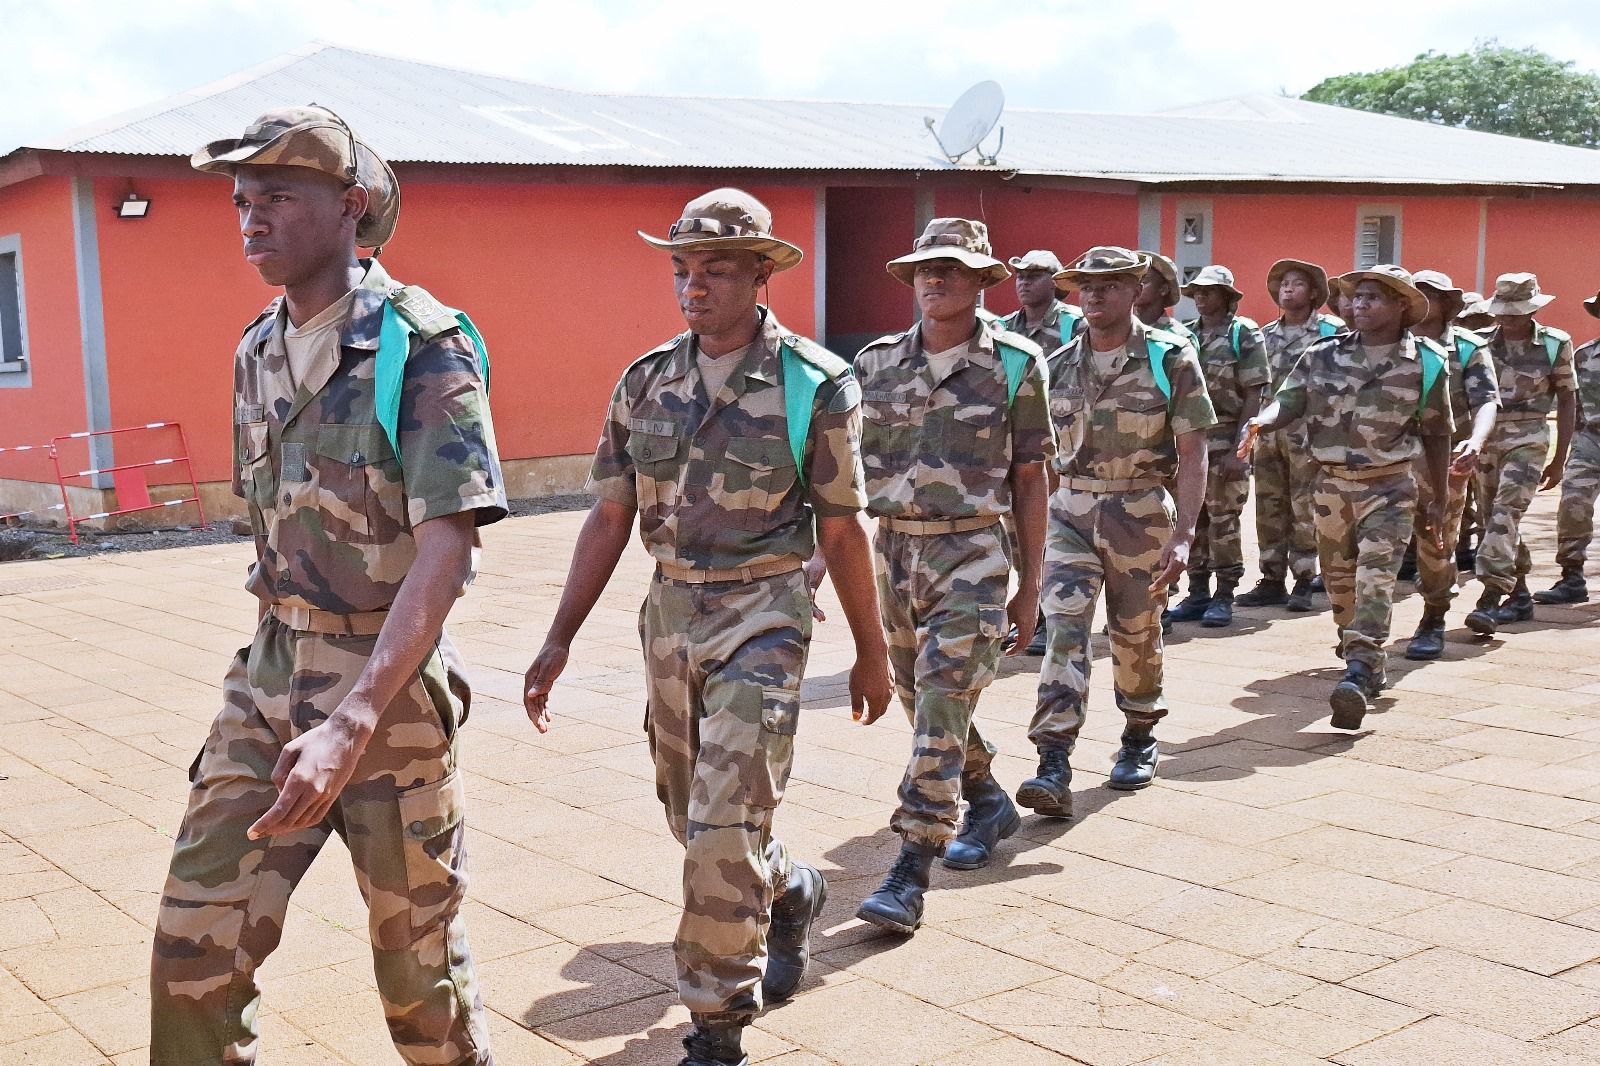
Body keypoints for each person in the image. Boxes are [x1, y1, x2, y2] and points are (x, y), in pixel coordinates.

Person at [152, 107, 505, 1066]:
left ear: (350, 207)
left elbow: (450, 548)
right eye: (240, 202)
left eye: (276, 197)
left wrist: (351, 719)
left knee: (416, 975)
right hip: (267, 674)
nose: (250, 219)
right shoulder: (255, 349)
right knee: (194, 944)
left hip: (384, 695)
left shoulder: (421, 344)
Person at [522, 189, 892, 1066]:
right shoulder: (645, 380)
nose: (694, 285)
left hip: (765, 611)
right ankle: (790, 886)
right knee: (695, 819)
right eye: (683, 268)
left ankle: (717, 1025)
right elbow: (610, 515)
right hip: (670, 612)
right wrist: (558, 635)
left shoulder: (815, 382)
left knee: (723, 824)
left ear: (762, 274)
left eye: (717, 267)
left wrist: (873, 654)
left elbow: (841, 526)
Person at [850, 219, 1053, 935]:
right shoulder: (874, 364)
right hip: (892, 550)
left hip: (973, 553)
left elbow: (1030, 479)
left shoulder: (1018, 363)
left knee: (941, 700)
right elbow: (848, 473)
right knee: (921, 700)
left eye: (951, 270)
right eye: (924, 271)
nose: (934, 280)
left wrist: (1029, 586)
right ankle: (985, 793)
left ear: (979, 281)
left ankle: (911, 867)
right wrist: (821, 558)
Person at [1018, 247, 1213, 814]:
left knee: (1135, 631)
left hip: (1140, 510)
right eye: (1086, 287)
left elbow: (1193, 449)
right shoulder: (1058, 361)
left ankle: (1138, 733)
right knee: (1064, 627)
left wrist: (1184, 535)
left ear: (1134, 290)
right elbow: (1040, 453)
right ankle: (1053, 757)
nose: (1094, 296)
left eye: (1108, 286)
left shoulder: (1168, 357)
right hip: (1069, 512)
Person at [1238, 265, 1452, 729]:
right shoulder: (1322, 354)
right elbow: (1288, 399)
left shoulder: (1426, 360)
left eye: (1373, 297)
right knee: (1339, 585)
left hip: (1390, 485)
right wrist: (1263, 420)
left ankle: (1358, 669)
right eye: (1356, 298)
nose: (1360, 305)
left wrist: (1438, 497)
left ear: (1400, 306)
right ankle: (1362, 653)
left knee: (1376, 577)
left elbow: (1437, 432)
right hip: (1332, 485)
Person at [1465, 273, 1578, 634]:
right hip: (1486, 437)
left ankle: (1490, 596)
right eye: (1503, 311)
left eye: (1516, 311)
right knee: (1492, 521)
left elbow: (1567, 397)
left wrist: (1560, 458)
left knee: (1506, 509)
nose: (1508, 318)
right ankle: (1520, 593)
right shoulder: (1479, 343)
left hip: (1529, 436)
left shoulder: (1554, 343)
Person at [1404, 271, 1500, 659]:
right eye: (1416, 295)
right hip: (1384, 460)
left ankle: (1433, 615)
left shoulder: (1467, 347)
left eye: (1431, 295)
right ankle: (1363, 627)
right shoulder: (1387, 344)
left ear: (1447, 303)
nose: (1423, 302)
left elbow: (1487, 401)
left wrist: (1475, 441)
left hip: (1444, 460)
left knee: (1436, 540)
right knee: (1371, 546)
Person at [1170, 265, 1270, 628]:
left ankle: (1224, 593)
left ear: (1227, 297)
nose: (1200, 297)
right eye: (1196, 291)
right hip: (1193, 437)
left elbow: (1255, 394)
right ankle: (1196, 591)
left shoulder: (1243, 333)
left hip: (1229, 435)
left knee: (1224, 519)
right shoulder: (1187, 335)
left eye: (1208, 291)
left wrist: (1241, 450)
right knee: (1192, 515)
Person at [1239, 259, 1341, 612]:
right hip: (1268, 432)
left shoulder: (1331, 332)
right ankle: (1270, 579)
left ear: (1313, 293)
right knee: (1268, 506)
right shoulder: (1264, 335)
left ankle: (1305, 578)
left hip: (1309, 432)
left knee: (1305, 506)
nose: (1287, 289)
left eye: (1297, 283)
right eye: (1283, 283)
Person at [1535, 290, 1600, 605]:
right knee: (1573, 504)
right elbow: (1571, 403)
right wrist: (1563, 454)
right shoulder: (1585, 355)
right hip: (1590, 441)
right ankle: (1571, 577)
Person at [996, 249, 1085, 351]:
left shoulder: (1075, 324)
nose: (1024, 283)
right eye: (1020, 277)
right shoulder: (1004, 327)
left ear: (1054, 282)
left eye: (1033, 277)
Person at [1133, 251, 1196, 344]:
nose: (1137, 287)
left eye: (1144, 281)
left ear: (1163, 289)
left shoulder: (1181, 338)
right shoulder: (1119, 331)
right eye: (1134, 281)